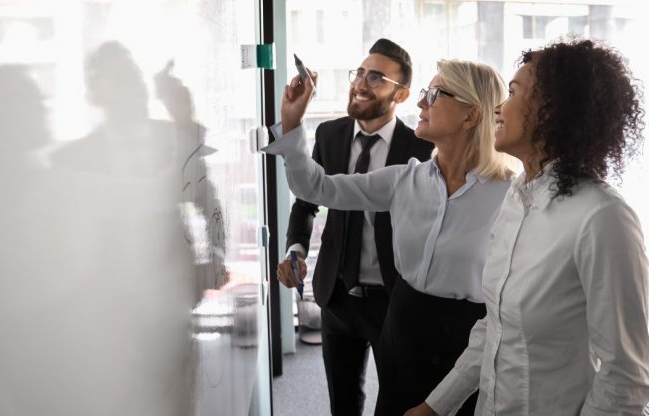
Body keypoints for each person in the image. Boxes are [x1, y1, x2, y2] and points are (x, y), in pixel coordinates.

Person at [405, 39, 649, 415]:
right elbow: (494, 328)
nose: (499, 108)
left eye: (513, 92)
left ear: (551, 110)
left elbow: (625, 379)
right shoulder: (517, 198)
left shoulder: (602, 218)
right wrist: (437, 406)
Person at [265, 57, 518, 414]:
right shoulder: (404, 180)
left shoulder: (509, 194)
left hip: (469, 340)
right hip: (404, 326)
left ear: (471, 115)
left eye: (434, 94)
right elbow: (315, 187)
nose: (420, 102)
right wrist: (292, 122)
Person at [275, 38, 434, 415]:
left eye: (376, 77)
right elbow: (307, 202)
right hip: (337, 295)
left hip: (394, 300)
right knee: (342, 404)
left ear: (402, 94)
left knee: (398, 401)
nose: (361, 83)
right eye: (360, 73)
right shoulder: (329, 134)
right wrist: (295, 249)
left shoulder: (421, 149)